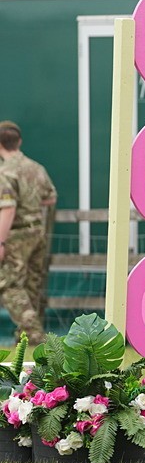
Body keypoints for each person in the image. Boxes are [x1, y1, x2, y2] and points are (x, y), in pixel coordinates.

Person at [0, 121, 57, 346]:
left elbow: (8, 207)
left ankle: (32, 333)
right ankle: (26, 339)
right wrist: (31, 203)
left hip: (16, 235)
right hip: (37, 233)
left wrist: (1, 241)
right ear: (19, 141)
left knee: (9, 284)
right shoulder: (36, 168)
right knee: (32, 284)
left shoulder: (5, 173)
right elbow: (50, 197)